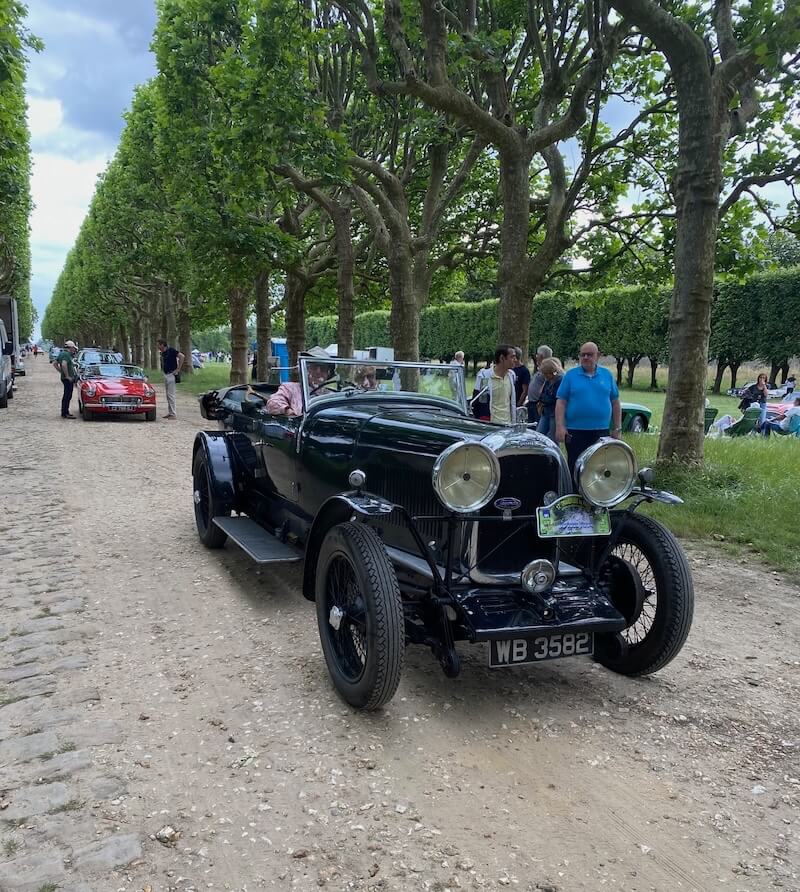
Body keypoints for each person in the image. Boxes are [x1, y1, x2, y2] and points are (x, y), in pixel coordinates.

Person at [555, 342, 622, 474]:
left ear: (597, 356)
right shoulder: (570, 375)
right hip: (575, 431)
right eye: (582, 355)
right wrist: (560, 426)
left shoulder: (607, 375)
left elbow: (615, 402)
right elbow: (561, 402)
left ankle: (596, 493)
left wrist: (617, 428)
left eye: (589, 355)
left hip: (601, 431)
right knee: (575, 465)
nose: (585, 357)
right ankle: (574, 493)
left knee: (600, 466)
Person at [266, 347, 332, 416]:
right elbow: (273, 403)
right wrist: (289, 412)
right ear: (306, 369)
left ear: (328, 373)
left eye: (323, 368)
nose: (318, 372)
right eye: (314, 367)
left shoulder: (330, 395)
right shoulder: (289, 388)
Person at [535, 357, 564, 441]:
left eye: (546, 373)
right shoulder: (548, 380)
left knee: (552, 437)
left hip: (554, 413)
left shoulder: (560, 380)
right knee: (539, 434)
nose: (544, 376)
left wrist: (543, 400)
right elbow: (542, 394)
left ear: (551, 372)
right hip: (545, 411)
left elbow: (554, 397)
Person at [488, 344, 517, 425]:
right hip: (491, 426)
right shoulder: (485, 377)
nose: (515, 360)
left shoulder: (511, 376)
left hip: (508, 425)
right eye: (512, 357)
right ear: (502, 358)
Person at [157, 338, 185, 420]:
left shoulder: (171, 350)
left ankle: (173, 413)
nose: (158, 347)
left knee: (171, 395)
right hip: (166, 374)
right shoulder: (163, 353)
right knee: (168, 395)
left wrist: (178, 369)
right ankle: (170, 412)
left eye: (158, 345)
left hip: (171, 374)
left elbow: (182, 356)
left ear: (162, 344)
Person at [528, 345, 553, 422]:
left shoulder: (547, 368)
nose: (536, 356)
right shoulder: (540, 367)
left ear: (541, 356)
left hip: (538, 404)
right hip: (532, 403)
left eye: (537, 355)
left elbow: (548, 383)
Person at [55, 340, 79, 419]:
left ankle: (65, 411)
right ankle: (65, 412)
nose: (74, 350)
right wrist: (67, 376)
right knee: (67, 395)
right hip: (68, 379)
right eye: (73, 348)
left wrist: (61, 372)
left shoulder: (62, 353)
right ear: (71, 347)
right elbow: (64, 364)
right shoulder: (66, 354)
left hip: (64, 378)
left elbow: (55, 364)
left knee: (66, 395)